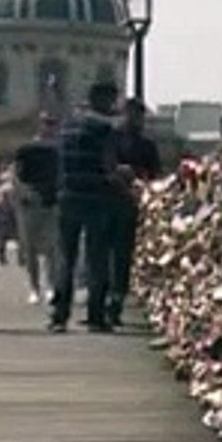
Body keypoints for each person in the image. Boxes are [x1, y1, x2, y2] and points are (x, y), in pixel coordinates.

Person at [50, 82, 122, 333]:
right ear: (105, 100)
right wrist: (124, 177)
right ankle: (95, 315)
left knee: (65, 257)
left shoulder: (67, 127)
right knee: (96, 258)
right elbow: (109, 166)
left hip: (68, 195)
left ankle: (59, 314)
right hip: (95, 197)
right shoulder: (106, 129)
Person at [107, 98, 161, 327]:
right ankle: (105, 301)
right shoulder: (111, 139)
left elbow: (156, 174)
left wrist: (139, 182)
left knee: (122, 257)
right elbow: (105, 165)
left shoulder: (147, 144)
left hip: (131, 204)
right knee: (105, 255)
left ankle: (115, 303)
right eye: (129, 114)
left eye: (137, 115)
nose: (133, 119)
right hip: (110, 201)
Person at [14, 114, 61, 305]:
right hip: (30, 201)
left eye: (52, 123)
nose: (49, 127)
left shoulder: (59, 150)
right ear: (39, 125)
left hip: (52, 201)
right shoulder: (26, 149)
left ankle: (50, 286)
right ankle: (34, 288)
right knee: (30, 247)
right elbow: (16, 174)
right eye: (46, 123)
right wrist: (23, 193)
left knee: (52, 248)